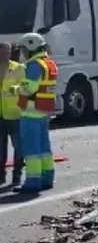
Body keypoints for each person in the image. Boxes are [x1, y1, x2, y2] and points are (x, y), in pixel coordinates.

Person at [12, 33, 58, 193]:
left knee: (31, 149)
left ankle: (33, 180)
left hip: (31, 111)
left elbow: (28, 89)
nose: (23, 53)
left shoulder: (34, 65)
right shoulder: (49, 64)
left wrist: (15, 89)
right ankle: (47, 177)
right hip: (44, 111)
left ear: (31, 47)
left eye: (24, 49)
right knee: (44, 148)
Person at [0, 42, 24, 186]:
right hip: (0, 116)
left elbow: (27, 89)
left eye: (6, 51)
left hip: (15, 115)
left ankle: (17, 176)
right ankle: (1, 176)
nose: (4, 54)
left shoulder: (19, 68)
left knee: (19, 148)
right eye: (2, 51)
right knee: (0, 150)